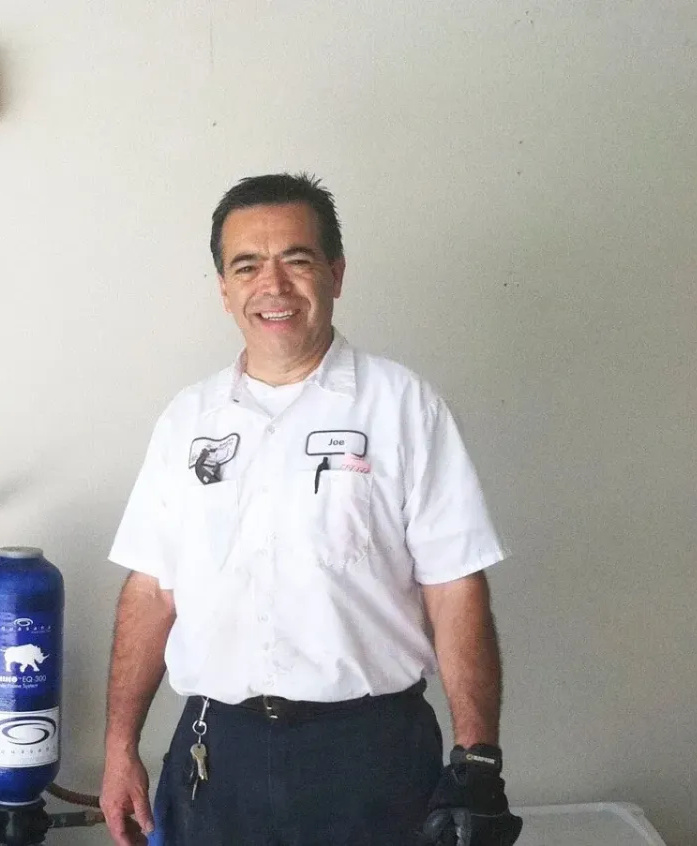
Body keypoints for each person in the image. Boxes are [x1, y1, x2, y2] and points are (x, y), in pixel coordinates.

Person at [99, 173, 522, 846]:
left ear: (336, 273)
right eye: (247, 266)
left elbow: (455, 587)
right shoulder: (188, 420)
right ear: (224, 289)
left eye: (296, 260)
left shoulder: (403, 407)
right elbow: (151, 591)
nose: (273, 285)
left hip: (371, 758)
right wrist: (120, 747)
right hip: (217, 757)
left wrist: (477, 760)